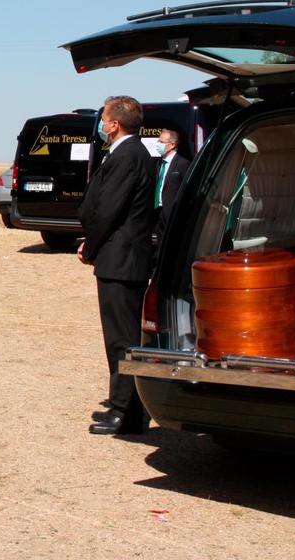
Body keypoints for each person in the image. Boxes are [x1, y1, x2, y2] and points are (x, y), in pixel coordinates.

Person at [78, 95, 156, 436]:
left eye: (104, 119)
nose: (101, 125)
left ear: (114, 124)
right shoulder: (127, 153)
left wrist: (91, 246)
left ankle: (126, 412)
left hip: (121, 258)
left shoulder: (128, 155)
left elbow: (109, 209)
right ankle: (122, 403)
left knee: (121, 339)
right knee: (120, 337)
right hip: (118, 256)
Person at [152, 128, 190, 243]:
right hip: (158, 211)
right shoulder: (158, 163)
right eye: (158, 141)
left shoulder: (183, 164)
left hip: (172, 213)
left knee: (172, 243)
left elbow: (187, 190)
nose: (158, 144)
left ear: (172, 145)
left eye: (161, 142)